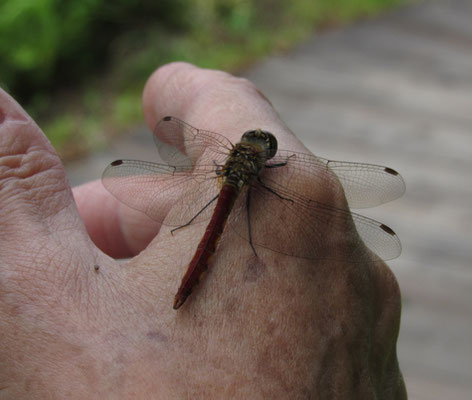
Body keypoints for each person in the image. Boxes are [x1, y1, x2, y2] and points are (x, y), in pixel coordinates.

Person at [0, 62, 406, 398]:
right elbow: (277, 190)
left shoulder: (231, 158)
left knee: (214, 218)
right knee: (233, 222)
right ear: (263, 155)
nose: (260, 145)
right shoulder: (263, 168)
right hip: (235, 194)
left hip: (222, 189)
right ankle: (189, 282)